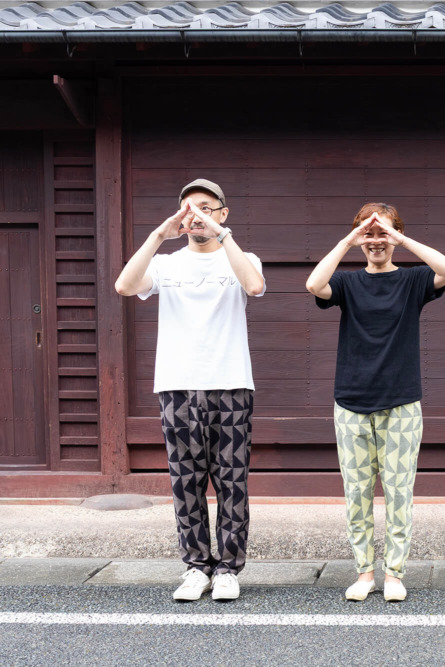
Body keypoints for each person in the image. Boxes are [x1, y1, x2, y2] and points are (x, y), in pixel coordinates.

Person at [115, 179, 265, 602]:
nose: (195, 215)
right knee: (186, 482)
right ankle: (197, 567)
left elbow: (254, 285)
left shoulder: (241, 257)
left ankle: (228, 569)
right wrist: (158, 235)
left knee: (232, 482)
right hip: (177, 386)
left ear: (223, 212)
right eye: (187, 208)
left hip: (231, 383)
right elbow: (124, 286)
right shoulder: (167, 263)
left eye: (204, 207)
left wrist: (222, 235)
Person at [306, 203, 445, 602]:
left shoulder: (413, 280)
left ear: (396, 235)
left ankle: (394, 574)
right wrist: (348, 241)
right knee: (356, 494)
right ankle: (364, 573)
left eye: (383, 233)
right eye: (368, 234)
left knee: (398, 492)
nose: (376, 241)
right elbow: (314, 285)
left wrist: (401, 239)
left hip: (401, 403)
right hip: (351, 402)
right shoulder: (348, 282)